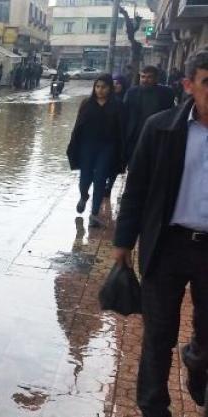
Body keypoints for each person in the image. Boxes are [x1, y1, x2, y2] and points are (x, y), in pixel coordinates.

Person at [111, 47, 208, 417]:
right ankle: (153, 407)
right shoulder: (160, 128)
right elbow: (135, 190)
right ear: (188, 85)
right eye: (207, 82)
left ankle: (197, 362)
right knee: (157, 336)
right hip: (167, 245)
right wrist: (122, 242)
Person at [66, 73, 124, 228]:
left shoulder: (117, 105)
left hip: (107, 147)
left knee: (100, 179)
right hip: (87, 146)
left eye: (104, 87)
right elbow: (78, 125)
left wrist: (121, 150)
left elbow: (121, 129)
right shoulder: (87, 103)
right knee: (85, 177)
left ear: (110, 88)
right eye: (97, 87)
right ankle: (84, 196)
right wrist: (74, 145)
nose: (100, 90)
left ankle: (94, 213)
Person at [122, 66, 175, 166]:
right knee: (134, 166)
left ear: (156, 78)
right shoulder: (132, 93)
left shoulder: (166, 93)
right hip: (135, 136)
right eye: (143, 77)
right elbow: (125, 114)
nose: (145, 80)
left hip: (157, 136)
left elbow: (171, 114)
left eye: (149, 77)